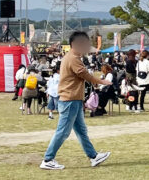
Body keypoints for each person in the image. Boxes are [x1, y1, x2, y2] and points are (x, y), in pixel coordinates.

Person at [41, 31, 111, 170]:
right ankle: (48, 159)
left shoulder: (72, 57)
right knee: (63, 132)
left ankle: (93, 156)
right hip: (69, 100)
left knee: (81, 131)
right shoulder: (73, 58)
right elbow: (84, 74)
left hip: (74, 100)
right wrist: (101, 81)